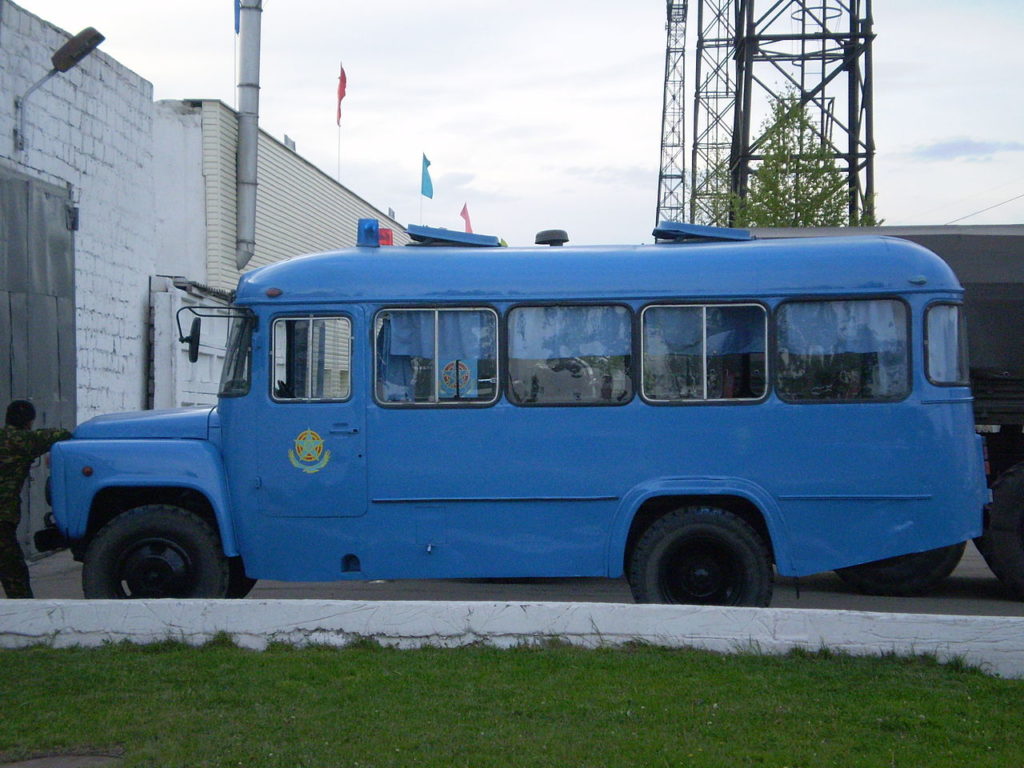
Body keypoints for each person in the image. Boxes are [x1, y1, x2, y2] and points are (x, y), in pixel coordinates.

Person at [0, 400, 71, 598]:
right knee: (13, 572)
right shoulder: (24, 441)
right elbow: (62, 434)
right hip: (2, 517)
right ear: (29, 422)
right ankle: (25, 613)